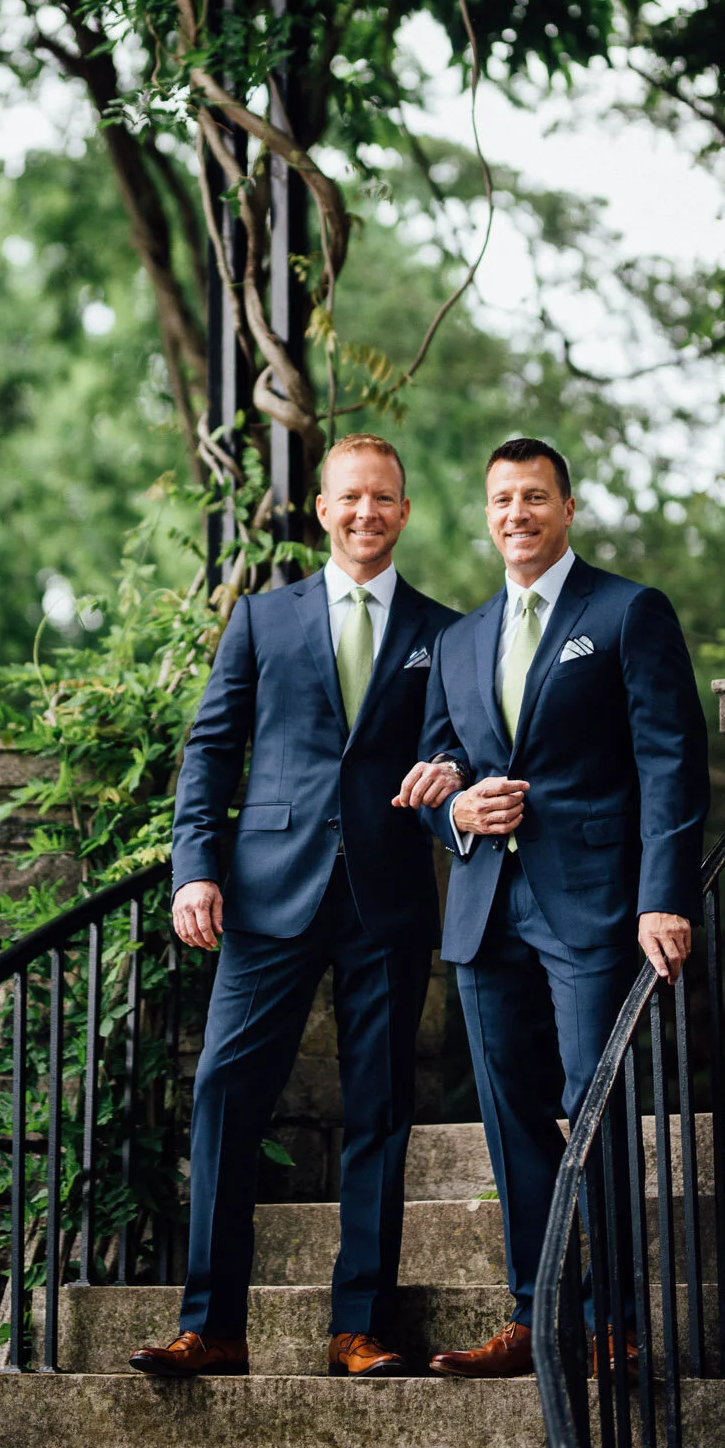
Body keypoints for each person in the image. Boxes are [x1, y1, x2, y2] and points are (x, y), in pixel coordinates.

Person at [130, 435, 459, 1379]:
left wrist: (453, 777)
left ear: (405, 511)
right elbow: (211, 748)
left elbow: (455, 748)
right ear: (322, 509)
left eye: (384, 498)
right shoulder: (261, 619)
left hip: (388, 898)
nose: (367, 512)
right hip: (268, 893)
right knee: (224, 1094)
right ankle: (212, 1328)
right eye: (350, 497)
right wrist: (195, 869)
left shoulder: (446, 633)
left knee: (380, 1111)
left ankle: (361, 1328)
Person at [394, 437, 709, 1377]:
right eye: (502, 500)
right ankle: (536, 1319)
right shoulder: (458, 640)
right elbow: (439, 770)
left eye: (534, 497)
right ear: (486, 515)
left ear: (567, 509)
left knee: (593, 1106)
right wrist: (457, 808)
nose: (517, 514)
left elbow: (670, 758)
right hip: (485, 908)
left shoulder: (626, 612)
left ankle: (613, 1323)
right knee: (511, 1118)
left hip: (595, 904)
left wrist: (663, 896)